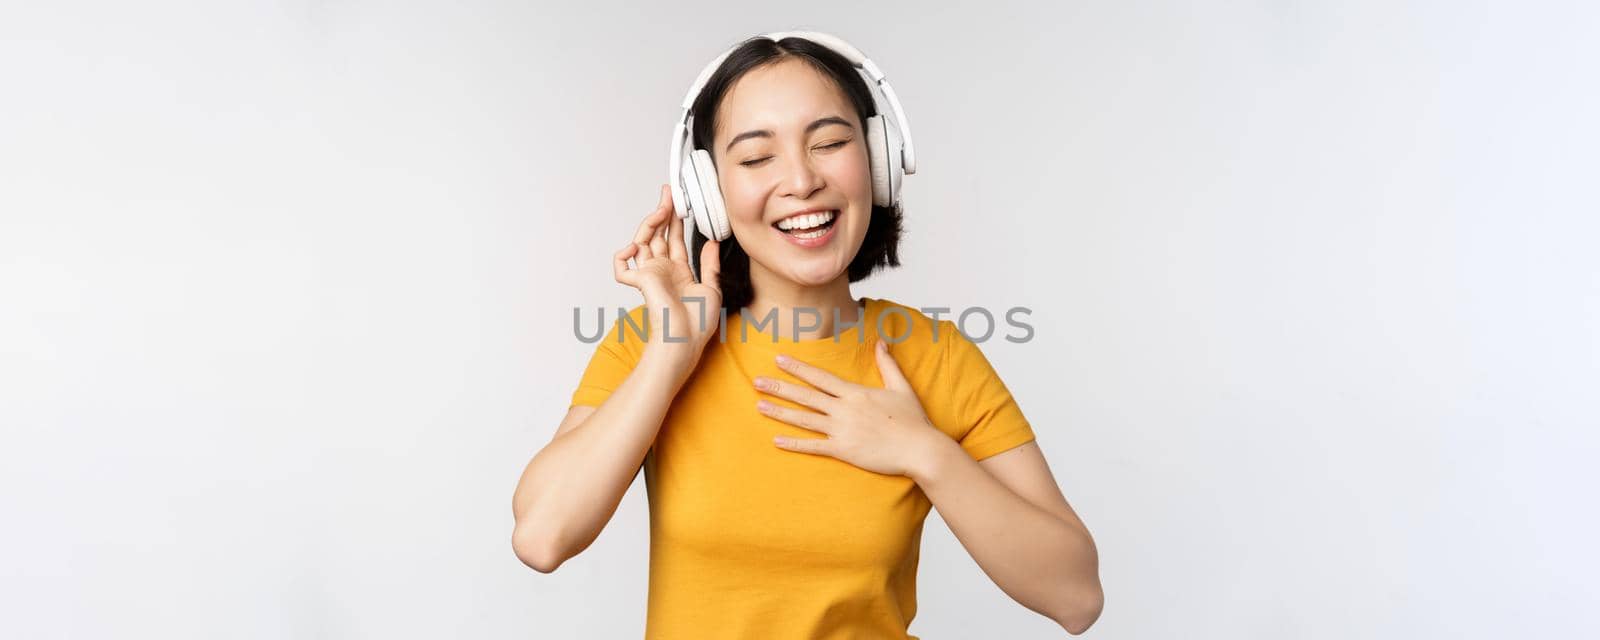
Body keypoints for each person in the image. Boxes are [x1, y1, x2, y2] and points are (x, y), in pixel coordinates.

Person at [512, 32, 1103, 638]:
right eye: (756, 157)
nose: (800, 180)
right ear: (709, 192)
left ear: (876, 160)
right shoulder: (652, 343)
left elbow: (1076, 597)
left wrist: (924, 452)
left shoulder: (933, 355)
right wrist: (669, 358)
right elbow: (541, 537)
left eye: (829, 143)